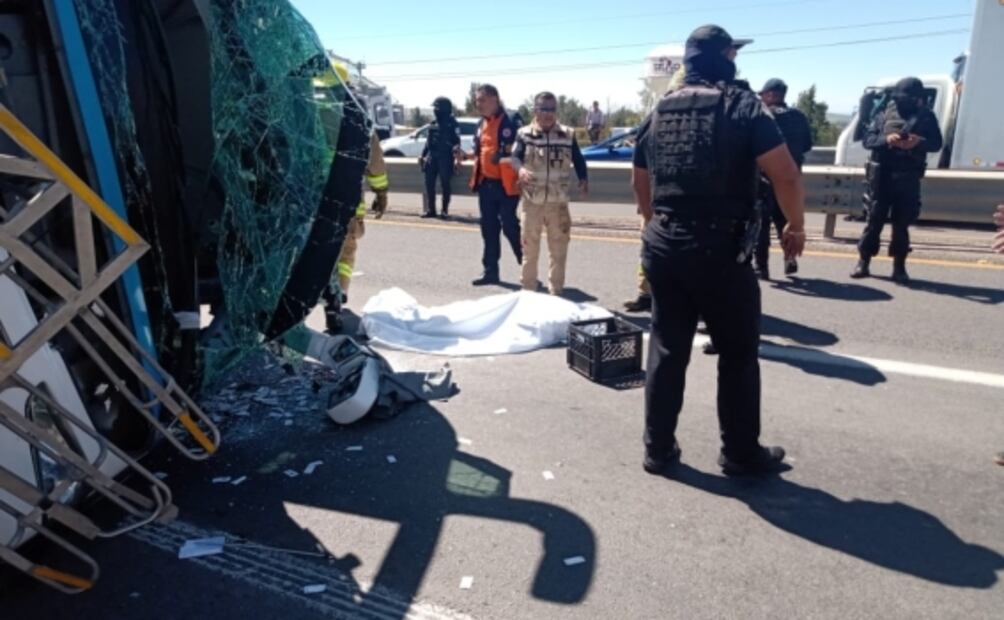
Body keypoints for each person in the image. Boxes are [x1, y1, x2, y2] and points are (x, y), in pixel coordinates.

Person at [633, 25, 806, 476]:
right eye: (734, 53)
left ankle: (658, 449)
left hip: (665, 243)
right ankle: (740, 453)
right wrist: (797, 225)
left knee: (668, 350)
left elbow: (641, 181)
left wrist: (659, 226)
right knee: (737, 353)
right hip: (719, 247)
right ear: (726, 56)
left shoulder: (659, 111)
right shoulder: (743, 105)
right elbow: (784, 174)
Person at [851, 77, 943, 283]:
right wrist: (887, 139)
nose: (906, 102)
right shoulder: (883, 115)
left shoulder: (926, 117)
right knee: (874, 221)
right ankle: (863, 262)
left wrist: (918, 142)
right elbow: (868, 140)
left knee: (902, 225)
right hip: (882, 176)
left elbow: (936, 143)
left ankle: (899, 267)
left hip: (908, 177)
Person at [511, 91, 589, 295]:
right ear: (535, 110)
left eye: (552, 109)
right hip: (532, 202)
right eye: (543, 109)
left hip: (558, 203)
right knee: (530, 251)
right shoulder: (524, 134)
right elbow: (515, 157)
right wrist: (520, 169)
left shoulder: (567, 134)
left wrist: (583, 179)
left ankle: (556, 293)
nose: (548, 114)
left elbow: (579, 159)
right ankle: (528, 292)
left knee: (559, 252)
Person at [459, 84, 522, 286]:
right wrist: (465, 155)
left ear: (495, 99)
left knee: (510, 226)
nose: (478, 104)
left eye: (482, 100)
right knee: (488, 228)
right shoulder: (481, 124)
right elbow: (480, 152)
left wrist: (504, 155)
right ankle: (490, 272)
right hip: (486, 184)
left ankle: (527, 268)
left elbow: (523, 149)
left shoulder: (511, 120)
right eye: (477, 100)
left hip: (507, 185)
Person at [754, 78, 813, 280]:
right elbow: (807, 145)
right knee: (786, 222)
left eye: (762, 94)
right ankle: (790, 259)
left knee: (761, 225)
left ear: (770, 95)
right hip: (791, 178)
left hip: (764, 179)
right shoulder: (799, 117)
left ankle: (761, 267)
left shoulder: (763, 116)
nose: (761, 98)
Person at [420, 97, 460, 219]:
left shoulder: (452, 123)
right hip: (432, 157)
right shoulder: (433, 124)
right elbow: (428, 142)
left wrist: (456, 154)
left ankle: (444, 211)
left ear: (444, 108)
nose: (435, 110)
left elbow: (457, 141)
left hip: (445, 157)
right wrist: (423, 155)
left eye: (437, 107)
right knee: (429, 184)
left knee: (445, 184)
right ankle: (431, 210)